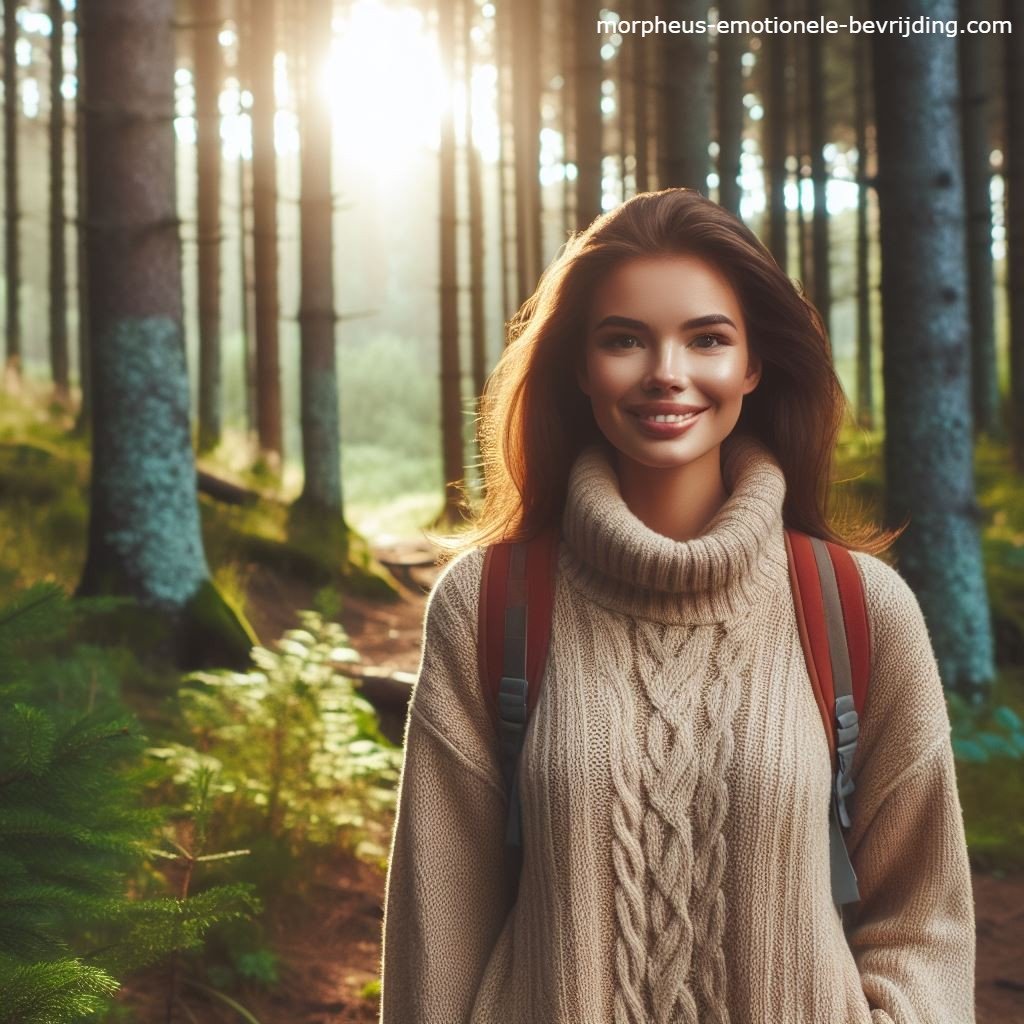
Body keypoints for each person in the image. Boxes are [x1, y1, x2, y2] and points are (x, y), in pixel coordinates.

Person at [377, 188, 976, 1023]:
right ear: (580, 367)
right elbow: (435, 940)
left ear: (753, 365)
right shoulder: (488, 607)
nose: (668, 371)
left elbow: (927, 918)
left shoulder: (858, 609)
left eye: (707, 339)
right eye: (624, 339)